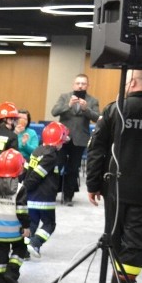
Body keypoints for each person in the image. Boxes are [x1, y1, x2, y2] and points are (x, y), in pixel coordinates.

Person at [87, 68, 142, 283]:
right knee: (135, 244)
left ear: (130, 82)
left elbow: (97, 147)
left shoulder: (115, 109)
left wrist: (92, 184)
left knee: (115, 240)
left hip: (115, 189)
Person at [52, 73, 100, 206]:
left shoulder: (92, 100)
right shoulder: (64, 97)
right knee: (57, 166)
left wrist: (86, 109)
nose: (80, 86)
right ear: (73, 84)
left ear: (87, 85)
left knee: (73, 169)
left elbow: (97, 118)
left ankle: (68, 196)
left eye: (83, 83)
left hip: (80, 139)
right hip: (62, 139)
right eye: (78, 83)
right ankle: (52, 193)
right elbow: (54, 112)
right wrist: (68, 105)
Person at [24, 122, 68, 259]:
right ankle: (36, 243)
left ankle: (24, 250)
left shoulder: (36, 151)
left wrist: (24, 190)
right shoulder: (51, 155)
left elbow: (27, 170)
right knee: (49, 224)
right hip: (44, 198)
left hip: (30, 198)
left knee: (32, 223)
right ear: (58, 141)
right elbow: (37, 175)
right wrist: (25, 187)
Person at [0, 148, 30, 283]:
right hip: (15, 231)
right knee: (21, 249)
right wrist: (26, 226)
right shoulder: (20, 189)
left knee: (0, 252)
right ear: (19, 169)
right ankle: (11, 271)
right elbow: (22, 211)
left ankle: (0, 278)